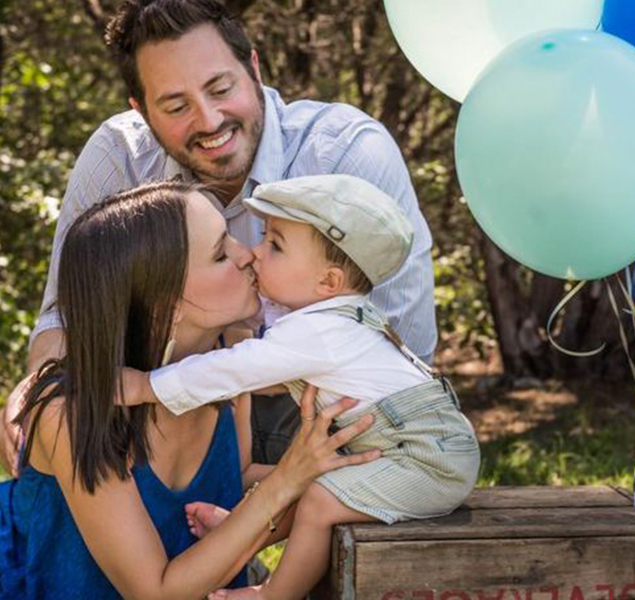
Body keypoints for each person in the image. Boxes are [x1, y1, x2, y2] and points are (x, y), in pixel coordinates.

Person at [0, 0, 437, 475]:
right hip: (163, 408)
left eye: (220, 88)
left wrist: (229, 371)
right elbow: (66, 313)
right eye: (175, 106)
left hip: (331, 411)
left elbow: (398, 349)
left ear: (252, 67)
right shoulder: (117, 156)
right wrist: (44, 387)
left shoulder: (346, 153)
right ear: (141, 111)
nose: (209, 121)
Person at [0, 180, 379, 599]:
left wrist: (347, 472)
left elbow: (233, 477)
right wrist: (288, 478)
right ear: (166, 305)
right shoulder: (71, 414)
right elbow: (156, 592)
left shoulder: (226, 366)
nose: (247, 254)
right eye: (221, 253)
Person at [122, 174, 481, 600]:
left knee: (322, 499)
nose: (255, 252)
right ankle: (250, 536)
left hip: (428, 459)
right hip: (422, 446)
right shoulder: (336, 319)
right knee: (318, 482)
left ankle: (274, 595)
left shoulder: (318, 331)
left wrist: (148, 385)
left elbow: (234, 368)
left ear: (328, 282)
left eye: (275, 245)